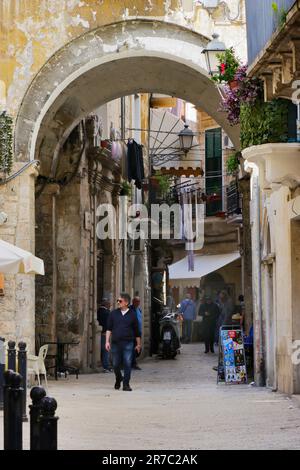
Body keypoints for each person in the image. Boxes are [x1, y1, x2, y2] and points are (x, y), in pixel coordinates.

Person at [105, 293, 141, 391]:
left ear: (126, 302)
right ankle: (118, 378)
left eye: (120, 301)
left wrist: (138, 344)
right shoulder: (113, 314)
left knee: (127, 363)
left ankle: (126, 384)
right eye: (118, 300)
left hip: (128, 343)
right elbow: (109, 329)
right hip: (116, 343)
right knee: (115, 364)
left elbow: (137, 331)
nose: (118, 302)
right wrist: (107, 342)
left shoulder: (132, 315)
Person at [97, 298, 112, 373]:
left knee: (105, 350)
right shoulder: (105, 312)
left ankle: (106, 365)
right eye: (109, 304)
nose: (110, 305)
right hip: (105, 334)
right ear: (106, 304)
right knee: (105, 350)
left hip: (104, 333)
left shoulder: (101, 311)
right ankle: (106, 366)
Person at [131, 296, 142, 370]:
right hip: (132, 332)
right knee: (133, 348)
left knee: (138, 348)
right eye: (136, 301)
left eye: (138, 301)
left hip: (138, 332)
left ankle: (133, 362)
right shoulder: (130, 309)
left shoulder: (139, 310)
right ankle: (133, 363)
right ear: (133, 302)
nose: (137, 303)